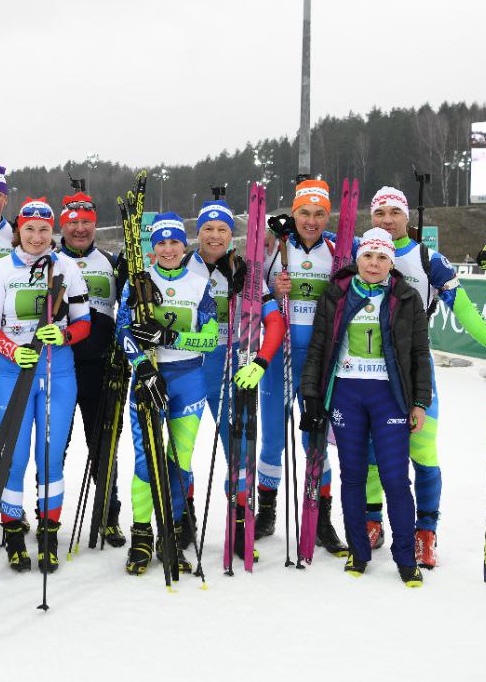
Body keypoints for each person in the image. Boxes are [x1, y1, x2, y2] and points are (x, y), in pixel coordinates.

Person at [362, 187, 486, 567]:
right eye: (380, 213)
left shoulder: (428, 259)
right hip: (369, 370)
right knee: (372, 454)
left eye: (395, 212)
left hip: (414, 370)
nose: (387, 220)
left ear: (406, 217)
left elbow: (463, 308)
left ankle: (426, 532)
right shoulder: (362, 253)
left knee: (423, 453)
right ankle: (371, 521)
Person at [300, 227, 432, 588]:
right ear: (358, 258)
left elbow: (420, 354)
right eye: (368, 256)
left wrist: (420, 402)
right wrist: (312, 396)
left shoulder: (406, 297)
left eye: (382, 258)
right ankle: (359, 552)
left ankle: (406, 559)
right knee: (353, 476)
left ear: (391, 262)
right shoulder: (337, 293)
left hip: (389, 396)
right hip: (347, 394)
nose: (374, 264)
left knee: (394, 479)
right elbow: (318, 347)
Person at [0, 198, 90, 574]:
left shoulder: (66, 266)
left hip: (57, 371)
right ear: (18, 231)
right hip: (12, 372)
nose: (38, 237)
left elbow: (84, 322)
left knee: (50, 454)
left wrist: (64, 337)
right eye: (30, 229)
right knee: (13, 456)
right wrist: (12, 349)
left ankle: (48, 531)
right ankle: (12, 529)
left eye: (44, 230)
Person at [117, 213, 230, 575]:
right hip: (148, 378)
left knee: (179, 461)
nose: (168, 249)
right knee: (144, 463)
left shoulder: (199, 285)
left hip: (189, 380)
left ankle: (173, 531)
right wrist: (143, 366)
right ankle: (141, 534)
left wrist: (171, 338)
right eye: (161, 243)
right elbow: (122, 331)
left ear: (185, 246)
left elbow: (210, 339)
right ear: (153, 247)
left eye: (174, 242)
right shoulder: (138, 282)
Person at [257, 178, 346, 554]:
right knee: (273, 438)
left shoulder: (337, 252)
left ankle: (321, 517)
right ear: (294, 213)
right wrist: (273, 291)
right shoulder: (274, 250)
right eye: (304, 213)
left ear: (328, 216)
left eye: (319, 214)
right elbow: (252, 296)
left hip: (319, 362)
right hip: (279, 355)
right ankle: (266, 511)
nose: (311, 221)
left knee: (315, 441)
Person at [57, 187, 128, 547]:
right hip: (60, 366)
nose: (80, 229)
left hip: (102, 367)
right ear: (62, 225)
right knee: (56, 446)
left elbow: (131, 309)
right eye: (73, 222)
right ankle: (48, 514)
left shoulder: (113, 263)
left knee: (104, 445)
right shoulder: (50, 261)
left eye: (86, 222)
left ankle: (108, 515)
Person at [183, 199, 251, 541]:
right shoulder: (181, 265)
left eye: (222, 229)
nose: (214, 235)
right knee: (182, 448)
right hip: (190, 369)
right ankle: (184, 518)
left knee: (238, 447)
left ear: (230, 233)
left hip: (229, 366)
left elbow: (265, 308)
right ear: (198, 233)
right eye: (208, 229)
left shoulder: (243, 267)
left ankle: (239, 520)